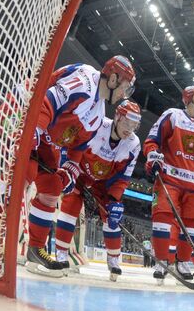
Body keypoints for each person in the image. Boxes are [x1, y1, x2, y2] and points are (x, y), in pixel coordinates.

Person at [26, 56, 136, 277]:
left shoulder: (98, 113)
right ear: (113, 78)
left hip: (47, 140)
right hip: (27, 117)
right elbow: (48, 101)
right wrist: (35, 130)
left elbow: (79, 143)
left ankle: (35, 249)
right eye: (124, 87)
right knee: (20, 177)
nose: (124, 94)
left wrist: (72, 167)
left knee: (51, 188)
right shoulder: (86, 79)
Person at [53, 100, 141, 281]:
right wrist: (68, 169)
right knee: (70, 205)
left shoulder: (134, 144)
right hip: (81, 172)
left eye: (134, 125)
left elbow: (123, 177)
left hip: (104, 181)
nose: (129, 128)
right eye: (126, 122)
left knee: (113, 215)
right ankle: (61, 253)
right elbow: (73, 145)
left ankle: (114, 259)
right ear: (117, 117)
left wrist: (114, 200)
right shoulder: (98, 125)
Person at [143, 86, 194, 283]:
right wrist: (153, 156)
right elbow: (152, 140)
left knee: (191, 225)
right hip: (170, 179)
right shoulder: (172, 115)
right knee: (163, 219)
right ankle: (162, 261)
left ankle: (183, 261)